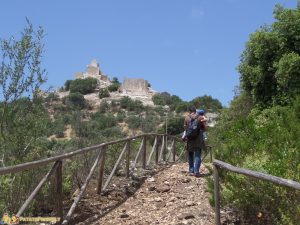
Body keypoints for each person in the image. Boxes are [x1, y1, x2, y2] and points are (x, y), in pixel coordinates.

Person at [183, 106, 206, 177]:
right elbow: (204, 128)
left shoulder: (186, 118)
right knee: (198, 154)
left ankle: (191, 171)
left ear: (189, 111)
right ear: (195, 110)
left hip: (190, 139)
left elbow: (185, 127)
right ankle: (196, 172)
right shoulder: (200, 117)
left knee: (190, 154)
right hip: (198, 139)